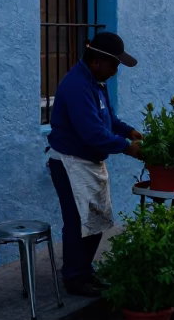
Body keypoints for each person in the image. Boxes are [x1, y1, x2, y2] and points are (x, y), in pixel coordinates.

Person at [47, 32, 142, 297]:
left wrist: (128, 131)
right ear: (98, 61)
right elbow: (92, 133)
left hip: (89, 161)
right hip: (70, 162)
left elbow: (108, 120)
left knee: (96, 221)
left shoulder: (96, 83)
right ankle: (74, 277)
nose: (116, 71)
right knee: (78, 222)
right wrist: (127, 148)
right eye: (114, 65)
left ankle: (85, 270)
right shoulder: (77, 86)